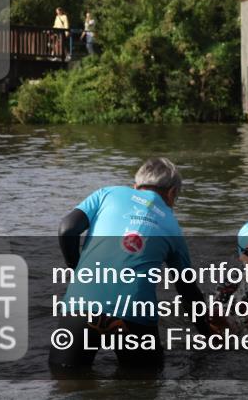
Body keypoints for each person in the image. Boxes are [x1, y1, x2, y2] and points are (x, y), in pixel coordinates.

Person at [49, 157, 210, 372]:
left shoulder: (107, 194)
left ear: (135, 186)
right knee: (144, 384)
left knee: (65, 378)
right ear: (172, 194)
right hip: (134, 314)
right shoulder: (173, 227)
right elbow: (187, 289)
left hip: (81, 305)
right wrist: (208, 336)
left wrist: (77, 272)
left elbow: (67, 229)